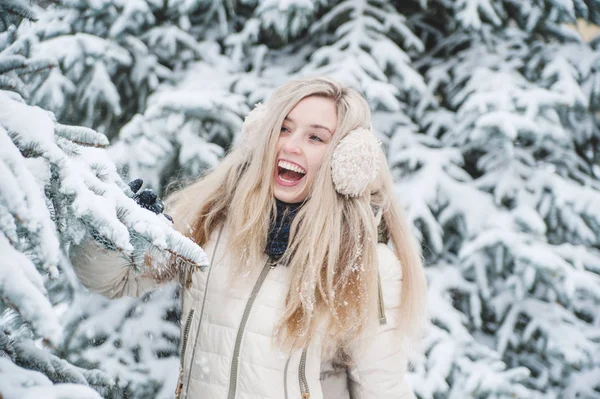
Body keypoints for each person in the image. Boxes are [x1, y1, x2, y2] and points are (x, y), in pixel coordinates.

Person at [70, 76, 428, 399]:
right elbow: (112, 281)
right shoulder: (213, 219)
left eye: (315, 137)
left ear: (347, 160)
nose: (290, 146)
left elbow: (382, 389)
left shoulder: (364, 264)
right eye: (283, 129)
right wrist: (116, 236)